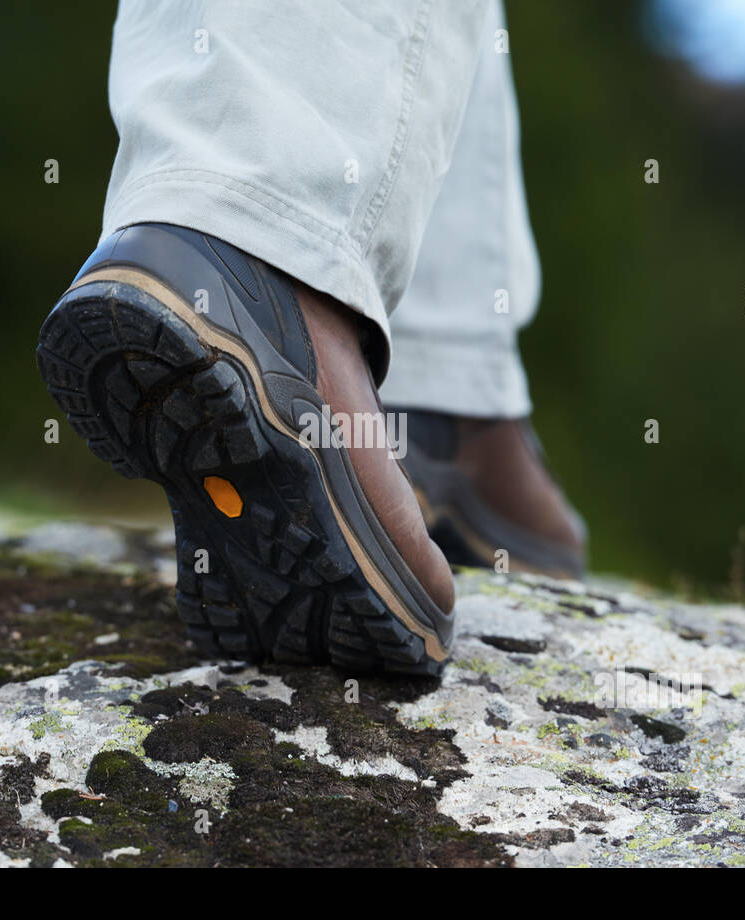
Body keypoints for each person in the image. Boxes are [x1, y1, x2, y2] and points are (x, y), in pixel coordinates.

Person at [36, 0, 586, 675]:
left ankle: (441, 384)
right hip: (274, 251)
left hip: (441, 371)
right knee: (266, 216)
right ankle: (270, 233)